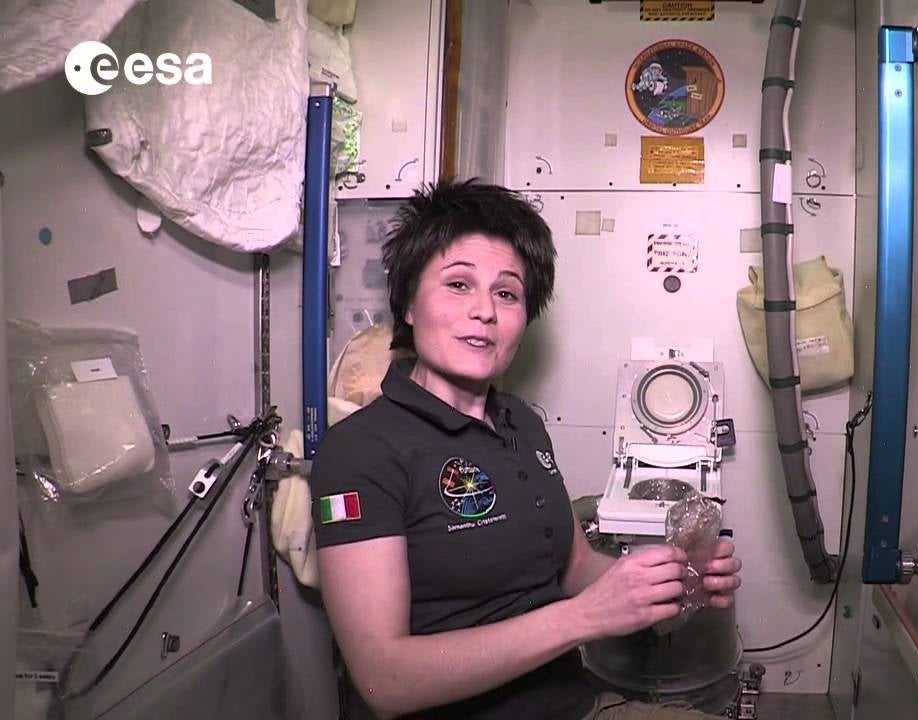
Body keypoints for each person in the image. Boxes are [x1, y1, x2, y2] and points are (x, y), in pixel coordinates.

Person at [309, 178, 743, 720]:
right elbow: (383, 681)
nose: (485, 311)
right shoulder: (361, 451)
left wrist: (662, 581)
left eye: (507, 294)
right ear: (409, 305)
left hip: (573, 704)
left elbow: (573, 566)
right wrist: (584, 618)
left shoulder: (523, 424)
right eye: (458, 284)